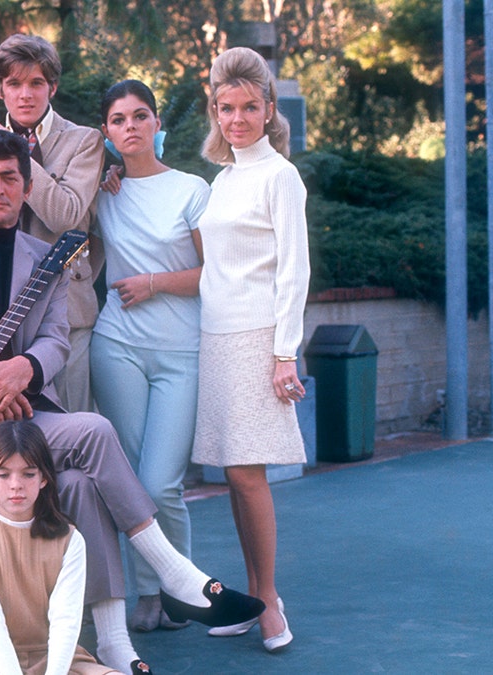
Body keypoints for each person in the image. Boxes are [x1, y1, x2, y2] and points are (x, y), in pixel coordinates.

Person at [0, 129, 264, 673]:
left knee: (84, 482)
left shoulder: (48, 257)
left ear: (28, 184)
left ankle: (111, 642)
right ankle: (174, 573)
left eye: (10, 177)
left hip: (25, 416)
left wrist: (25, 368)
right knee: (96, 430)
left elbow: (56, 339)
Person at [192, 47, 310, 654]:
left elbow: (294, 270)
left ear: (269, 111)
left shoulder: (280, 176)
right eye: (226, 108)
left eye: (249, 108)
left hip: (259, 338)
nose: (237, 119)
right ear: (216, 112)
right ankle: (256, 593)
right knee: (234, 478)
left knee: (247, 472)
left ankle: (270, 601)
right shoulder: (224, 178)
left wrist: (285, 352)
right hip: (214, 337)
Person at [91, 80, 209, 632]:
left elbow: (217, 274)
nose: (130, 126)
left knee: (162, 482)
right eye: (118, 120)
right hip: (116, 348)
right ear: (108, 133)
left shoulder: (192, 189)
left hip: (182, 353)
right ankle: (145, 593)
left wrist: (158, 283)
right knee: (130, 484)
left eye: (140, 116)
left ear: (157, 124)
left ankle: (179, 589)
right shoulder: (102, 190)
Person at [0, 34, 104, 412]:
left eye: (36, 83)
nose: (25, 95)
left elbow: (65, 215)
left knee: (68, 429)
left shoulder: (84, 141)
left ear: (52, 86)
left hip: (65, 313)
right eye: (15, 84)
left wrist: (8, 149)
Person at [0, 420, 131, 675]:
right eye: (3, 474)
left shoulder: (70, 540)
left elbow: (65, 622)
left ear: (44, 478)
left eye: (28, 474)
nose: (16, 484)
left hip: (55, 659)